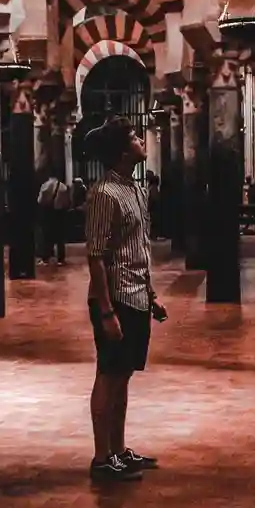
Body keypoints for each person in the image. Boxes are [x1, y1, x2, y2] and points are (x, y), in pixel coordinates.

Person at [84, 117, 165, 483]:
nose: (140, 139)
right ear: (121, 151)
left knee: (124, 376)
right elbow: (96, 256)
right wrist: (106, 312)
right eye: (134, 136)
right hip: (114, 298)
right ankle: (102, 458)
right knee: (109, 375)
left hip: (135, 295)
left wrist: (150, 296)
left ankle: (118, 449)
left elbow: (138, 249)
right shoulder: (104, 194)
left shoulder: (135, 189)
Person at [38, 171, 72, 265]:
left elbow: (40, 201)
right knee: (60, 237)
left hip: (48, 213)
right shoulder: (63, 187)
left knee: (47, 236)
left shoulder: (45, 186)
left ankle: (46, 258)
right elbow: (67, 203)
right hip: (59, 214)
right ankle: (61, 259)